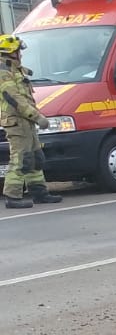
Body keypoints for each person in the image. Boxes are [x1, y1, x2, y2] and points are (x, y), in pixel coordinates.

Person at [1, 35, 62, 210]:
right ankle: (12, 196)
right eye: (18, 50)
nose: (21, 54)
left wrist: (33, 117)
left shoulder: (15, 70)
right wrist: (37, 117)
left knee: (36, 158)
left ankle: (40, 193)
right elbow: (15, 99)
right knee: (21, 159)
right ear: (11, 52)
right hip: (17, 122)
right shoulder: (3, 73)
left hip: (26, 121)